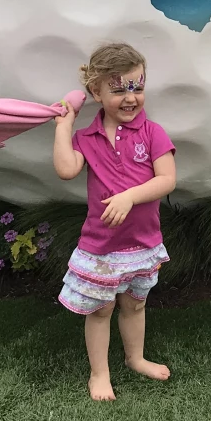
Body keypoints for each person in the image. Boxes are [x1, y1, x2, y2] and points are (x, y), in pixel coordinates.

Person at [53, 43, 176, 401]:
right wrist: (65, 125)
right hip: (101, 245)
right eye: (118, 88)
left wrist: (129, 196)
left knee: (135, 303)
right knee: (102, 308)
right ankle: (99, 374)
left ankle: (135, 357)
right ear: (96, 92)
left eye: (137, 87)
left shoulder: (153, 133)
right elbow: (65, 169)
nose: (130, 97)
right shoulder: (87, 138)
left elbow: (166, 179)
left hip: (142, 241)